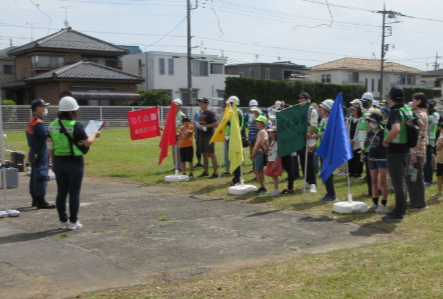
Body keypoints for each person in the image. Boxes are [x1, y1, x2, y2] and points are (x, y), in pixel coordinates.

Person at [47, 96, 101, 230]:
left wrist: (52, 161)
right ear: (74, 112)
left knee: (61, 192)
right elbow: (87, 142)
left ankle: (62, 221)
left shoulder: (52, 125)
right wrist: (95, 134)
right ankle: (73, 221)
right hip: (74, 162)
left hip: (59, 161)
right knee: (74, 192)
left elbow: (50, 145)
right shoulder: (75, 125)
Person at [382, 85, 412, 221]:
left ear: (390, 97)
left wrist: (386, 141)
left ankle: (398, 213)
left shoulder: (395, 112)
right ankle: (402, 210)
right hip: (406, 150)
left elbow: (396, 129)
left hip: (395, 151)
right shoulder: (408, 110)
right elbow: (421, 124)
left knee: (398, 183)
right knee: (402, 182)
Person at [27, 99, 56, 209]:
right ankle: (41, 200)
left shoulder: (32, 120)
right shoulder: (38, 122)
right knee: (41, 175)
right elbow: (47, 136)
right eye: (44, 107)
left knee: (34, 175)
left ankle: (35, 198)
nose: (45, 109)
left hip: (34, 151)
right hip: (40, 151)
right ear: (38, 108)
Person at [307, 99, 336, 202]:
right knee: (324, 171)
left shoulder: (330, 120)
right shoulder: (324, 119)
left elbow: (325, 134)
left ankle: (332, 194)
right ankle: (328, 192)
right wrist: (315, 144)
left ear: (327, 109)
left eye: (322, 108)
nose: (320, 109)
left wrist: (312, 137)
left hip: (327, 148)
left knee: (327, 171)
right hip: (321, 147)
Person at [407, 93, 428, 211]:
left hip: (417, 150)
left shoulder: (421, 115)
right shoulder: (418, 114)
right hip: (415, 150)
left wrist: (414, 152)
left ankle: (419, 203)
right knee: (411, 176)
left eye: (413, 100)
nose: (412, 102)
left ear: (419, 101)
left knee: (416, 176)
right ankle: (413, 199)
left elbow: (418, 135)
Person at [365, 111, 389, 213]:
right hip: (372, 158)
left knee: (382, 182)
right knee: (373, 181)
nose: (370, 123)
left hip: (382, 159)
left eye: (372, 121)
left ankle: (383, 203)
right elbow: (368, 144)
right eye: (370, 121)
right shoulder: (370, 132)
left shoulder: (383, 132)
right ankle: (374, 202)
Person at [297, 92, 318, 193]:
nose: (300, 100)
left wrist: (309, 135)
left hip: (309, 140)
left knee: (309, 162)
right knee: (302, 161)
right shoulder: (300, 111)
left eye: (302, 98)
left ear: (307, 99)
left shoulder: (312, 111)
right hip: (301, 140)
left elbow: (314, 126)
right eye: (300, 98)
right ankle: (306, 181)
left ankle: (313, 183)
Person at [196, 98, 219, 178]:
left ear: (207, 104)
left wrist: (206, 126)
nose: (200, 105)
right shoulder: (202, 112)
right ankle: (205, 171)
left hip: (209, 136)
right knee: (204, 154)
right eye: (200, 103)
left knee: (211, 154)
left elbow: (216, 123)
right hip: (202, 135)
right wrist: (199, 125)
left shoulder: (211, 113)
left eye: (202, 103)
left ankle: (215, 173)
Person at [225, 96, 245, 186]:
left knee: (236, 156)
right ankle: (235, 176)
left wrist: (229, 107)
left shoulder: (237, 113)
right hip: (231, 138)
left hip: (236, 138)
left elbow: (235, 123)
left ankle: (237, 178)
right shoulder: (231, 112)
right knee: (233, 156)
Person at [359, 92, 375, 197]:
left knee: (371, 172)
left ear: (368, 101)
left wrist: (365, 145)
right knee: (368, 171)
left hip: (369, 145)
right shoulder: (365, 112)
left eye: (364, 101)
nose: (362, 103)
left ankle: (373, 192)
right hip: (364, 144)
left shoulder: (371, 112)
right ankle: (371, 191)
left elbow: (369, 129)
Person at [249, 115, 269, 194]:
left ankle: (263, 187)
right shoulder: (264, 131)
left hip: (259, 153)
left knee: (257, 171)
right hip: (262, 153)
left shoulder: (261, 132)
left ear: (263, 123)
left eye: (258, 122)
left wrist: (252, 155)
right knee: (260, 170)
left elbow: (258, 145)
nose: (256, 123)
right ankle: (262, 186)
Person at [347, 102, 363, 178]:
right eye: (352, 110)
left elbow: (361, 132)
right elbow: (347, 130)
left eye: (354, 110)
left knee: (357, 157)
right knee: (351, 158)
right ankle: (351, 172)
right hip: (350, 141)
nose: (353, 111)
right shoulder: (349, 120)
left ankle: (358, 173)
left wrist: (354, 140)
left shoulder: (361, 120)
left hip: (357, 142)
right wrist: (349, 140)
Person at [265, 126, 282, 196]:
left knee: (275, 176)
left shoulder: (277, 142)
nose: (269, 133)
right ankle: (275, 190)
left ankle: (276, 190)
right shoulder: (272, 141)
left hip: (274, 161)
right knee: (272, 175)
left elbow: (278, 153)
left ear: (275, 133)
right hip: (271, 160)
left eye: (271, 132)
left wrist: (275, 163)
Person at [424, 100, 438, 186]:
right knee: (427, 162)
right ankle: (427, 178)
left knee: (428, 162)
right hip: (428, 141)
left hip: (428, 142)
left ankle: (428, 180)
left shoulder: (430, 117)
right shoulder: (429, 117)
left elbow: (427, 130)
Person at [172, 98, 186, 171]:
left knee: (179, 151)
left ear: (180, 106)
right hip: (173, 135)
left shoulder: (182, 115)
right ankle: (176, 167)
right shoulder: (172, 115)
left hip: (180, 136)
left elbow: (176, 125)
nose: (174, 106)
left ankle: (180, 167)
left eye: (176, 105)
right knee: (174, 151)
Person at [247, 107, 261, 173]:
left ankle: (258, 173)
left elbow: (260, 132)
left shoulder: (260, 121)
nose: (250, 113)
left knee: (258, 160)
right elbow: (250, 131)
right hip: (251, 143)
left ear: (257, 112)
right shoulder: (253, 120)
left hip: (256, 144)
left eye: (252, 112)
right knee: (254, 159)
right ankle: (255, 169)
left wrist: (254, 142)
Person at [431, 123, 443, 200]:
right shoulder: (440, 138)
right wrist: (441, 143)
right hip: (440, 160)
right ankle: (439, 191)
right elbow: (437, 149)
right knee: (439, 175)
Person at [193, 103, 203, 168]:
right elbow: (194, 123)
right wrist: (195, 132)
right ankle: (199, 161)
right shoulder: (196, 114)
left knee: (204, 148)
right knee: (198, 148)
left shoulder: (205, 112)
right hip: (198, 132)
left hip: (204, 131)